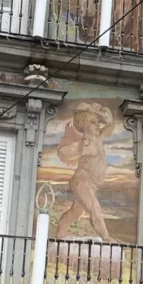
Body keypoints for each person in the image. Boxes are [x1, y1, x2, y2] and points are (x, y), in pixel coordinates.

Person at [56, 102, 115, 241]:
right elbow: (62, 152)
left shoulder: (99, 138)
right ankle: (105, 237)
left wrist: (97, 113)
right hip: (81, 181)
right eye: (93, 122)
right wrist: (76, 150)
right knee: (94, 207)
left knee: (75, 213)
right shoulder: (84, 143)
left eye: (97, 122)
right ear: (85, 126)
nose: (98, 125)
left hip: (91, 184)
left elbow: (109, 122)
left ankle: (59, 236)